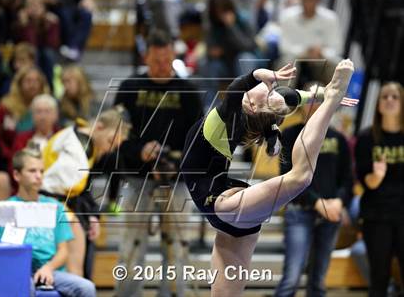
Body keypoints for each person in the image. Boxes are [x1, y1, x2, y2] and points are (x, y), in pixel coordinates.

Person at [181, 59, 356, 296]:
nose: (260, 89)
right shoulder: (235, 115)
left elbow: (248, 92)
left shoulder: (230, 115)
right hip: (225, 209)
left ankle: (332, 102)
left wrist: (326, 96)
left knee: (301, 177)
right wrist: (317, 92)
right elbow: (283, 96)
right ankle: (331, 98)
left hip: (224, 203)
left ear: (252, 105)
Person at [113, 29, 203, 297]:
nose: (162, 66)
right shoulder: (129, 88)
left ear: (174, 56)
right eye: (156, 61)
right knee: (131, 246)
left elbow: (198, 138)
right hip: (136, 178)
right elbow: (116, 134)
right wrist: (141, 150)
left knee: (176, 247)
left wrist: (175, 158)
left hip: (175, 182)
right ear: (146, 56)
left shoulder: (188, 91)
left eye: (166, 60)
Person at [0, 147, 96, 296]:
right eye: (32, 171)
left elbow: (63, 251)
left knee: (87, 287)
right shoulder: (6, 209)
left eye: (41, 171)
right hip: (18, 271)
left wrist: (48, 268)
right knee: (24, 285)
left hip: (50, 270)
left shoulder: (55, 207)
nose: (38, 176)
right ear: (17, 175)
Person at [274, 94, 353, 297]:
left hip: (330, 215)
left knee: (318, 281)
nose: (315, 104)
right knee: (291, 278)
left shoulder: (338, 138)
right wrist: (317, 202)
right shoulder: (291, 135)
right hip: (299, 213)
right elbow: (286, 177)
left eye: (320, 99)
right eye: (311, 99)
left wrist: (339, 201)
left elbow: (347, 178)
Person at [41, 106, 130, 277]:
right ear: (99, 127)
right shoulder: (78, 147)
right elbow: (62, 188)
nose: (110, 149)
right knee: (75, 271)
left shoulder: (79, 137)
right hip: (53, 205)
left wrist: (91, 214)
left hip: (56, 202)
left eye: (115, 146)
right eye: (111, 141)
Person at [354, 82, 404, 297]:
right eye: (385, 97)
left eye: (395, 96)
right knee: (379, 277)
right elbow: (368, 184)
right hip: (377, 216)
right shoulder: (366, 139)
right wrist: (377, 175)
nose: (390, 100)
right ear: (378, 104)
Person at [279, 0, 341, 86]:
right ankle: (282, 97)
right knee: (287, 63)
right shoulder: (287, 16)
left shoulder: (330, 18)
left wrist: (321, 52)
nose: (307, 3)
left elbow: (336, 49)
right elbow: (284, 47)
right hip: (296, 59)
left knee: (338, 66)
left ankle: (335, 99)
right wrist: (305, 51)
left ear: (318, 0)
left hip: (321, 60)